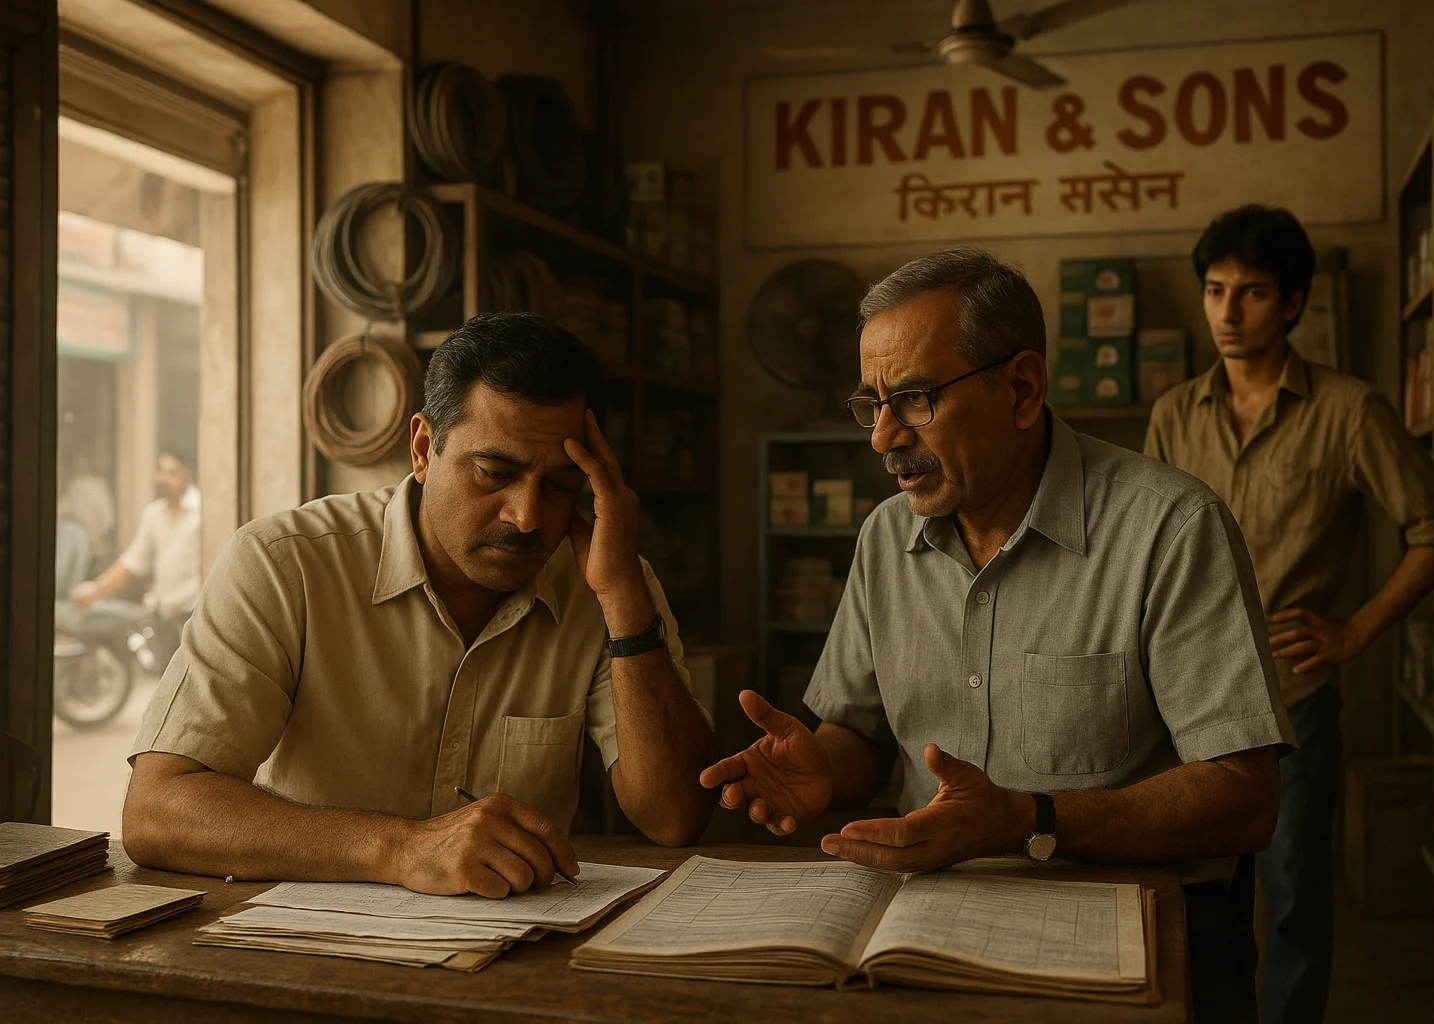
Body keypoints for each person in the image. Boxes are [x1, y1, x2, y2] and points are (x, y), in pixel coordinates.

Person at [700, 248, 1295, 1023]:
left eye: (913, 400)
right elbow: (862, 735)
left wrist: (1030, 820)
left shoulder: (1171, 528)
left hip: (1135, 939)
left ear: (1020, 388)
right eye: (869, 405)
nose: (882, 439)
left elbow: (1244, 799)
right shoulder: (886, 540)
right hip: (928, 929)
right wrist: (823, 765)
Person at [122, 313, 716, 896]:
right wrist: (400, 848)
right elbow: (157, 810)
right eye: (493, 473)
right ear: (425, 448)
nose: (527, 516)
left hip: (511, 958)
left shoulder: (607, 581)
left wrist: (624, 601)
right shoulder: (285, 565)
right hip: (307, 952)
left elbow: (673, 817)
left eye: (561, 486)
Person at [1142, 206, 1434, 1024]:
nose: (1226, 311)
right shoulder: (1175, 414)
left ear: (1293, 304)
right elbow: (1140, 556)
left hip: (1295, 699)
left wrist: (1356, 630)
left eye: (1250, 293)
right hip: (1181, 704)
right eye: (1215, 290)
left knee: (1292, 900)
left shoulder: (1350, 410)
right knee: (1192, 898)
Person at [73, 450, 202, 665]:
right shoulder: (154, 514)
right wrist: (96, 591)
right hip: (164, 618)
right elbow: (133, 562)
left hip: (196, 617)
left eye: (173, 473)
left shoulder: (204, 512)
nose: (165, 479)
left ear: (187, 473)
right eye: (161, 471)